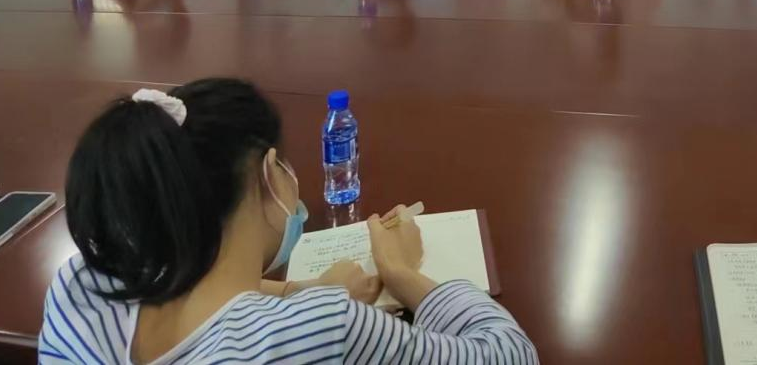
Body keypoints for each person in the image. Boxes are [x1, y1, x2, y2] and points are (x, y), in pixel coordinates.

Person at [40, 79, 537, 363]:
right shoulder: (321, 332)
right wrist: (402, 272)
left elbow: (202, 292)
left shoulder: (80, 287)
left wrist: (300, 290)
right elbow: (510, 355)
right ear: (269, 174)